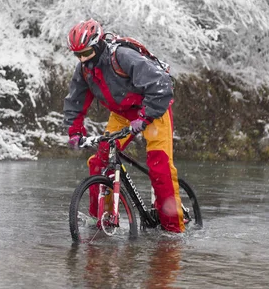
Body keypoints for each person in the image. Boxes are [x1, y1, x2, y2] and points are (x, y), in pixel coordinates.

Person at [63, 18, 185, 233]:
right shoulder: (84, 69)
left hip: (153, 109)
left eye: (86, 53)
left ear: (98, 44)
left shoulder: (122, 56)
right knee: (100, 162)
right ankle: (99, 219)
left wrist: (145, 117)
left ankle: (173, 232)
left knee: (160, 168)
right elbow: (76, 100)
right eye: (78, 55)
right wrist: (75, 131)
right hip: (122, 114)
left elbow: (161, 85)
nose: (82, 59)